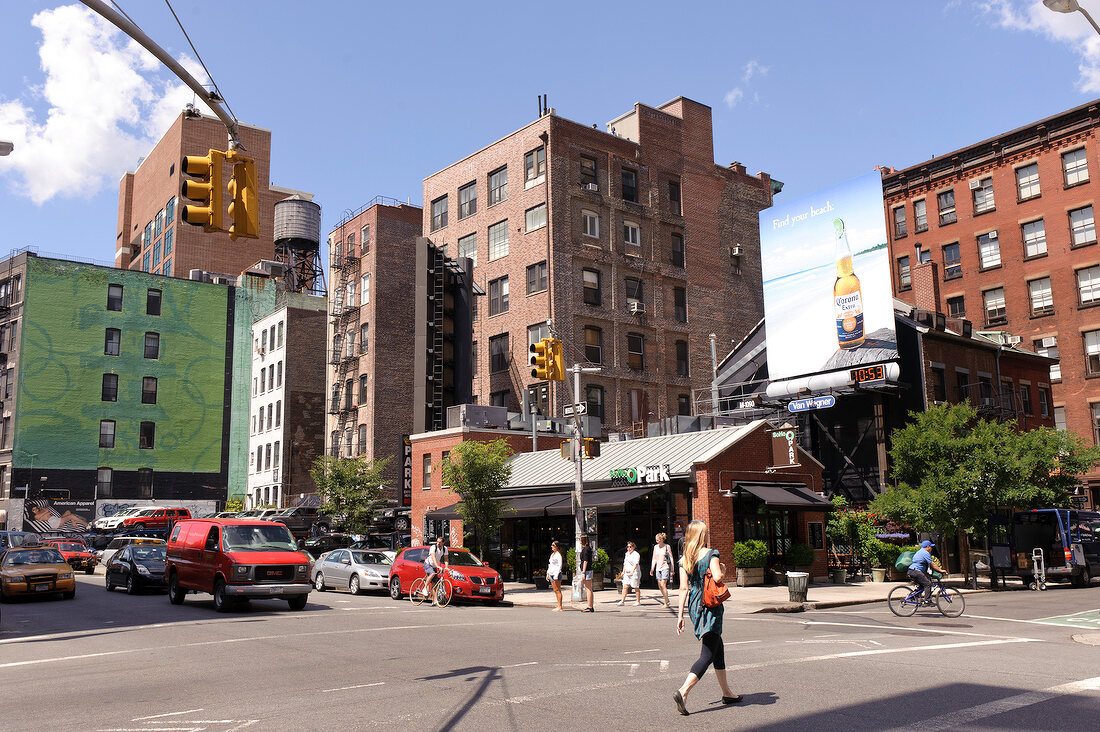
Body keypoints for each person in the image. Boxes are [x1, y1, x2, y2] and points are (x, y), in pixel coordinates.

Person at [674, 519, 740, 715]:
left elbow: (683, 588)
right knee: (708, 654)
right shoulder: (712, 553)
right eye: (706, 533)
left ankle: (727, 693)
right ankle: (683, 691)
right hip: (710, 604)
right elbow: (718, 578)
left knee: (717, 645)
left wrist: (680, 616)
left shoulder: (685, 558)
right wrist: (724, 569)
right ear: (702, 536)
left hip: (694, 605)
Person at [907, 540, 945, 605]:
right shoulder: (925, 553)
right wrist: (941, 570)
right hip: (915, 571)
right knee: (928, 584)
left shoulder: (919, 552)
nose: (931, 548)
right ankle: (927, 601)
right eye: (931, 547)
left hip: (911, 571)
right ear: (927, 547)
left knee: (922, 586)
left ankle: (913, 596)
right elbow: (933, 564)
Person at [651, 532, 676, 609]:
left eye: (658, 540)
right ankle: (667, 598)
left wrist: (672, 569)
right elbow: (654, 558)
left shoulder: (667, 547)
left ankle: (666, 602)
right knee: (660, 586)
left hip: (665, 567)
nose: (656, 541)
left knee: (663, 585)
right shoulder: (655, 547)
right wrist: (652, 569)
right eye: (656, 540)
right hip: (658, 568)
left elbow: (671, 557)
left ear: (661, 540)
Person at [423, 536, 449, 603]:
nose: (438, 543)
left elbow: (446, 559)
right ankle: (425, 588)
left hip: (434, 566)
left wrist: (446, 567)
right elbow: (433, 557)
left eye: (440, 542)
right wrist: (437, 566)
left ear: (443, 543)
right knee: (432, 573)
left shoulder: (444, 549)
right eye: (437, 541)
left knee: (435, 584)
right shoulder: (433, 547)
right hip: (427, 564)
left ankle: (434, 600)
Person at [617, 541, 642, 606]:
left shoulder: (636, 554)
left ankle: (638, 601)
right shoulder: (627, 554)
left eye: (630, 547)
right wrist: (623, 571)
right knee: (625, 586)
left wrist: (632, 571)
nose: (629, 548)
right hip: (627, 572)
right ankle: (622, 601)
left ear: (633, 547)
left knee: (635, 587)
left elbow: (636, 564)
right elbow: (625, 563)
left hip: (634, 572)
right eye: (627, 547)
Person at [579, 534, 594, 612]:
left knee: (588, 588)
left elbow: (585, 561)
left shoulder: (586, 549)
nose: (579, 541)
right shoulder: (587, 549)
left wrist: (583, 572)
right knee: (588, 588)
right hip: (588, 570)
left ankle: (590, 606)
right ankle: (590, 606)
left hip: (587, 570)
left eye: (580, 539)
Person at [547, 540, 564, 612]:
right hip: (551, 573)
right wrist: (547, 574)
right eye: (551, 545)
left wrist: (556, 576)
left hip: (556, 574)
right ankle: (558, 605)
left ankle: (560, 606)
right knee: (555, 590)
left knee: (557, 590)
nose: (552, 546)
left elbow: (559, 565)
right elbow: (550, 564)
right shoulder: (552, 554)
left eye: (553, 545)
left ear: (557, 546)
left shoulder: (558, 555)